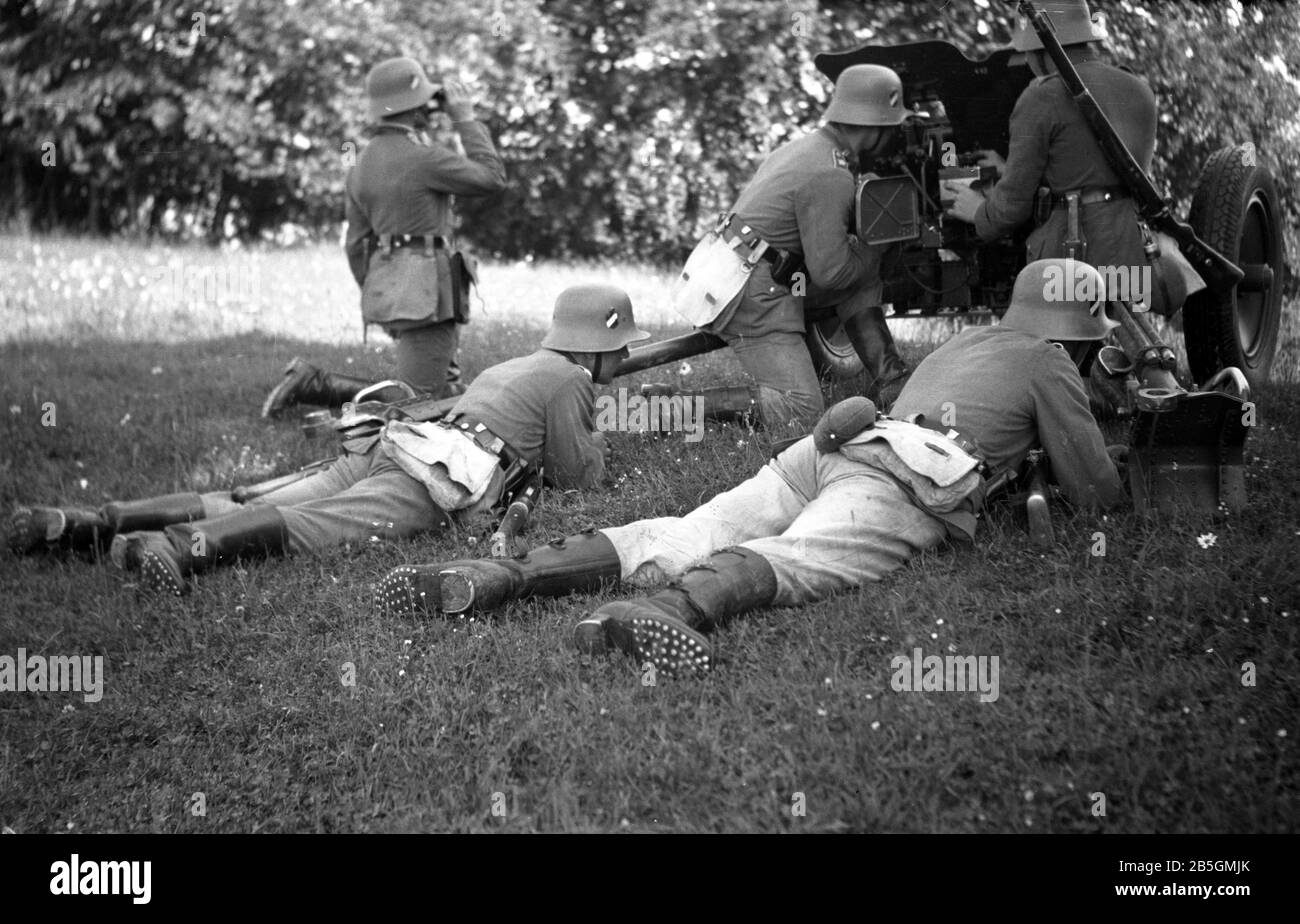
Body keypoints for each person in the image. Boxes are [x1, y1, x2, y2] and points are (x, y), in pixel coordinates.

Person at [378, 259, 1128, 676]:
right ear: (1076, 330)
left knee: (687, 528)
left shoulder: (968, 344)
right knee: (798, 556)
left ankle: (497, 577)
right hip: (909, 474)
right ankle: (671, 612)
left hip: (837, 445)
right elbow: (1097, 493)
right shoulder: (1052, 361)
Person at [8, 286, 648, 597]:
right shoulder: (570, 378)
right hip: (433, 476)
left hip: (396, 444)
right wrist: (601, 443)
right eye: (620, 350)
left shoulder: (518, 364)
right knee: (314, 524)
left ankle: (89, 523)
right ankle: (175, 547)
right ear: (604, 345)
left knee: (253, 493)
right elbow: (580, 473)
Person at [669, 64, 914, 433]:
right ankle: (667, 407)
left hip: (735, 270)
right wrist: (877, 244)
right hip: (750, 294)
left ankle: (892, 380)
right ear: (877, 126)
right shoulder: (831, 173)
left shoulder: (809, 148)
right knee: (801, 409)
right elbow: (831, 273)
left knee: (860, 281)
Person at [261, 57, 507, 417]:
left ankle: (466, 407)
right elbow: (492, 177)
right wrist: (464, 119)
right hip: (430, 293)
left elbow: (355, 244)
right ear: (416, 106)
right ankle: (315, 384)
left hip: (398, 290)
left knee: (449, 388)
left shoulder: (362, 164)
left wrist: (384, 296)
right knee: (420, 404)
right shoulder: (423, 159)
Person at [943, 0, 1187, 312]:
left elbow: (1012, 209)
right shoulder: (1138, 89)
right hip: (1132, 256)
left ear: (1045, 49)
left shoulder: (1042, 95)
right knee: (1120, 326)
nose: (1028, 62)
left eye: (1028, 52)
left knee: (1038, 348)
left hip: (1072, 260)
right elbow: (1092, 169)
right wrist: (1007, 169)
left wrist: (979, 211)